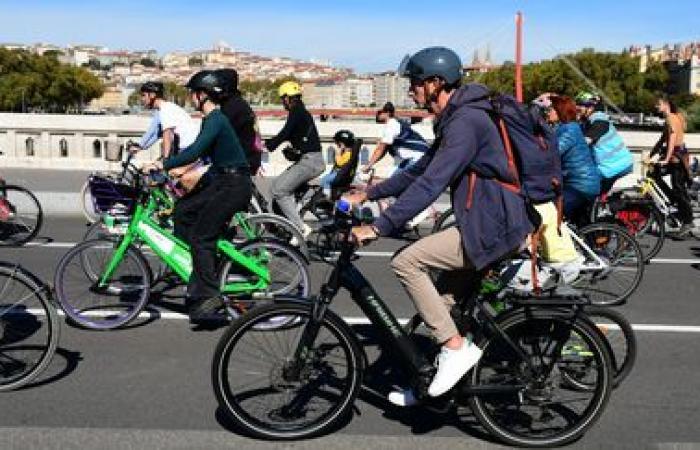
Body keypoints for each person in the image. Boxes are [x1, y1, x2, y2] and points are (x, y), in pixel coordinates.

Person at [345, 47, 534, 406]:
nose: (411, 91)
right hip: (485, 219)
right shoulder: (457, 119)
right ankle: (430, 383)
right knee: (442, 308)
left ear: (436, 83)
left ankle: (456, 349)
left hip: (492, 224)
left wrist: (379, 227)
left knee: (406, 261)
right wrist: (370, 192)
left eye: (415, 84)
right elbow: (419, 170)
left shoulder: (466, 122)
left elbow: (432, 184)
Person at [144, 70, 252, 323]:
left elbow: (196, 149)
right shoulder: (211, 120)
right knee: (182, 210)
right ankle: (196, 269)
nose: (190, 97)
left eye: (193, 93)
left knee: (202, 237)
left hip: (233, 185)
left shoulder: (216, 119)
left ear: (202, 94)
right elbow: (206, 156)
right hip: (221, 178)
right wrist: (180, 170)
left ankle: (210, 294)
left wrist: (165, 164)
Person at [265, 81, 325, 238]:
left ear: (287, 98)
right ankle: (291, 217)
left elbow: (285, 132)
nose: (282, 102)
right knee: (275, 186)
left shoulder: (297, 112)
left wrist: (268, 145)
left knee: (280, 190)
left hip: (310, 161)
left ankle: (300, 228)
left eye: (282, 99)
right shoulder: (300, 111)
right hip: (307, 160)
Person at [549, 95, 601, 226]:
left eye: (552, 109)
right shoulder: (564, 127)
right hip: (578, 183)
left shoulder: (570, 130)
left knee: (552, 212)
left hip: (581, 186)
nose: (549, 112)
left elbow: (553, 151)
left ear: (560, 112)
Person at [652, 95, 695, 236]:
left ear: (666, 104)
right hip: (676, 156)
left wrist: (667, 158)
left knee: (678, 188)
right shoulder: (674, 117)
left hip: (677, 157)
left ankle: (688, 220)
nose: (656, 107)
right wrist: (651, 154)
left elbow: (671, 140)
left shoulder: (671, 118)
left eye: (658, 104)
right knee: (655, 175)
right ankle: (673, 203)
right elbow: (663, 139)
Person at [575, 91, 633, 193]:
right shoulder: (587, 122)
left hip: (613, 166)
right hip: (614, 164)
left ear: (591, 108)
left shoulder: (599, 119)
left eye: (580, 105)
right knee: (597, 194)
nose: (577, 108)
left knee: (580, 186)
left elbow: (586, 141)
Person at [129, 81, 199, 159]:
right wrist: (140, 146)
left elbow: (167, 134)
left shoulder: (165, 109)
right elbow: (155, 132)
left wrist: (165, 161)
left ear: (152, 95)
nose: (142, 99)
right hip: (185, 149)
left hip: (187, 150)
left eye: (144, 95)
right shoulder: (163, 109)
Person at [216, 68, 263, 174]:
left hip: (241, 162)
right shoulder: (238, 103)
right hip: (249, 158)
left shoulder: (232, 107)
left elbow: (219, 136)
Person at [364, 102, 429, 175]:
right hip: (420, 156)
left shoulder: (391, 125)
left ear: (387, 113)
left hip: (416, 158)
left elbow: (381, 149)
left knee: (394, 182)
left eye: (379, 112)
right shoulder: (398, 122)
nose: (377, 114)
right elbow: (384, 150)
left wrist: (368, 165)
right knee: (395, 180)